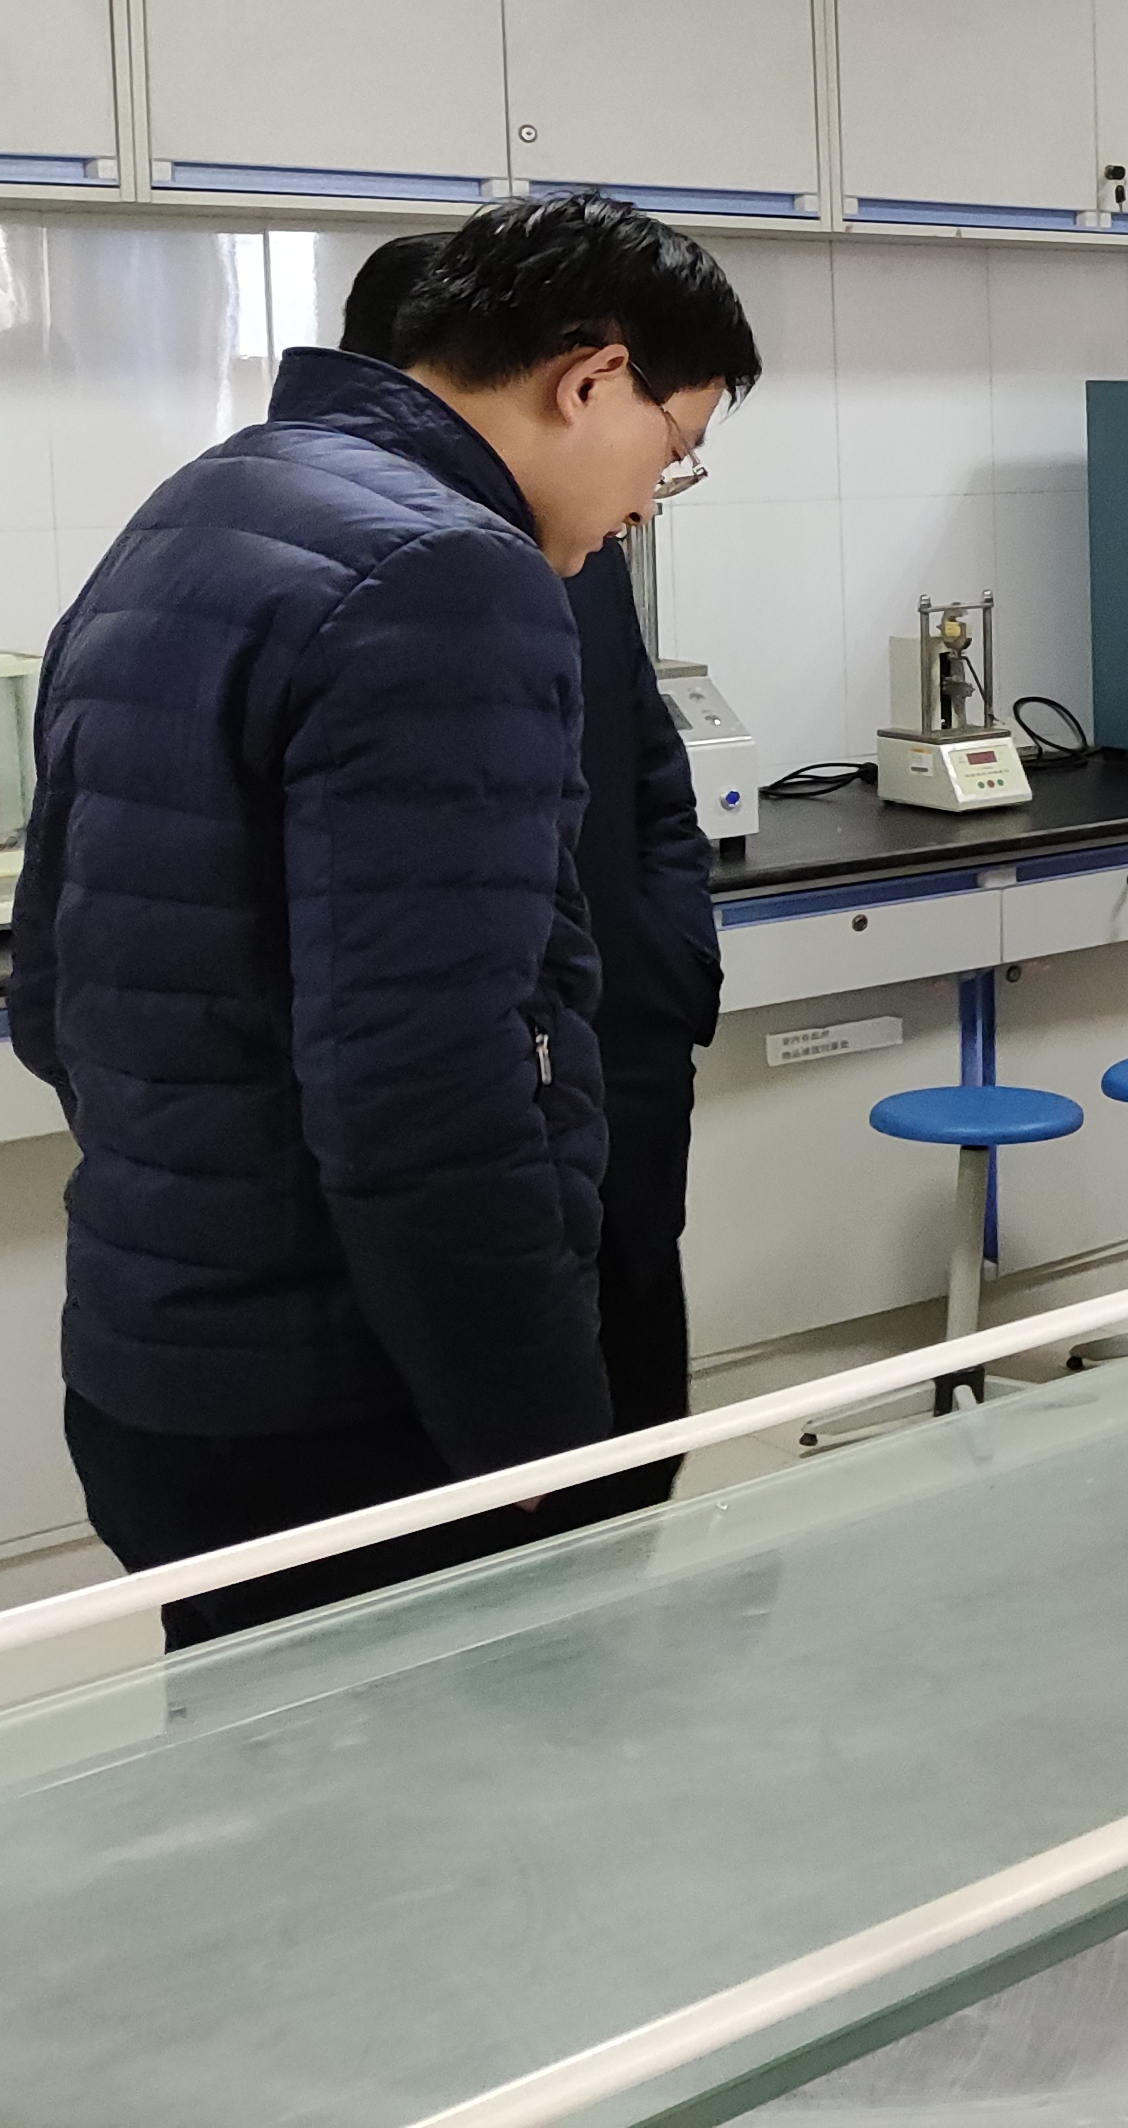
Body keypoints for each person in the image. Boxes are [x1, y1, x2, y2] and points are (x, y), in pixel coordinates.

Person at [9, 193, 759, 1644]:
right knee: (476, 1779)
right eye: (674, 449)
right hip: (356, 1405)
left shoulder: (205, 505)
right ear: (594, 377)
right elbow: (428, 1089)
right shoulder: (449, 575)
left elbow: (50, 990)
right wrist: (543, 1446)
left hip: (156, 1363)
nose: (647, 503)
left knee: (263, 1761)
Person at [342, 234, 720, 1515]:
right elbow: (417, 1050)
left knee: (634, 1417)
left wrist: (667, 978)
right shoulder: (420, 579)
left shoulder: (576, 548)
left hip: (618, 1066)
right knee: (536, 1508)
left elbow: (650, 768)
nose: (649, 497)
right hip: (489, 1141)